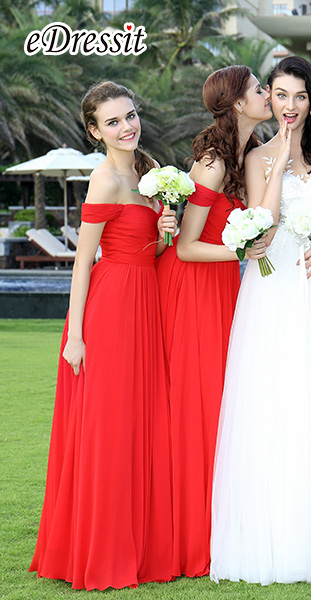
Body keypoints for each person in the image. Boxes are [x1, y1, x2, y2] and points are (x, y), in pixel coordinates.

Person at [210, 56, 311, 585]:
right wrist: (277, 164)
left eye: (301, 96)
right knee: (281, 398)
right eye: (280, 95)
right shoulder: (256, 157)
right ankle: (286, 535)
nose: (291, 105)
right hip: (276, 287)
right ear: (270, 99)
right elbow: (265, 225)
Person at [29, 81, 173, 591]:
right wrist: (76, 336)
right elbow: (83, 262)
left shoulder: (151, 173)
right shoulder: (104, 179)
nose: (126, 126)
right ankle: (101, 549)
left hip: (146, 305)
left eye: (129, 115)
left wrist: (166, 232)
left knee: (140, 423)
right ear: (94, 132)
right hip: (110, 310)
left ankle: (139, 543)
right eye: (112, 122)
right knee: (109, 428)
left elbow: (151, 253)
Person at [154, 65, 272, 579]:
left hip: (224, 286)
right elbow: (185, 246)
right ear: (238, 103)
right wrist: (241, 251)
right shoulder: (212, 162)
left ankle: (219, 523)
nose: (267, 95)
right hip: (193, 288)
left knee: (224, 403)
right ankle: (190, 533)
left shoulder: (250, 154)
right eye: (259, 89)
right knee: (199, 405)